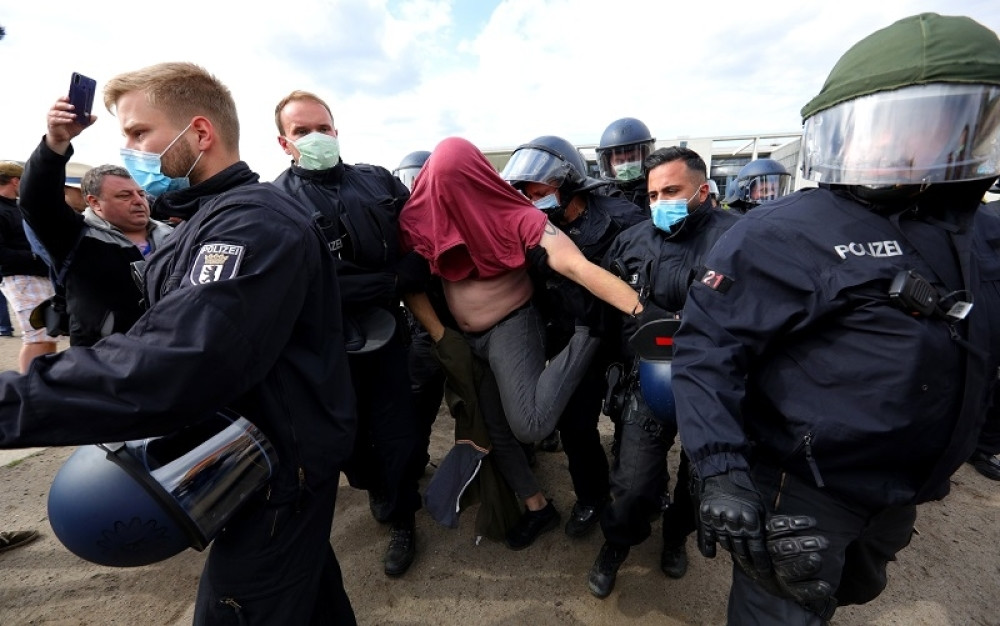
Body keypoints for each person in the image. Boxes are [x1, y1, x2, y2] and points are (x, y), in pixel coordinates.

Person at [0, 62, 358, 625]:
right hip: (238, 458)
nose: (129, 147)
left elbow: (179, 359)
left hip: (277, 469)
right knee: (309, 600)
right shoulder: (198, 221)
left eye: (139, 132)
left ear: (200, 133)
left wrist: (14, 402)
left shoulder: (252, 223)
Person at [671, 13, 1000, 625]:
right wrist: (720, 470)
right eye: (891, 129)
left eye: (944, 125)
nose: (908, 148)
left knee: (855, 586)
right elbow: (707, 350)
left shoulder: (985, 234)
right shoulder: (784, 234)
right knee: (786, 604)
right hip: (803, 487)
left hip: (905, 487)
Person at [400, 137, 646, 550]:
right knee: (495, 430)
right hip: (466, 339)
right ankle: (537, 507)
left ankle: (589, 335)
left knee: (530, 423)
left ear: (478, 180)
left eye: (460, 185)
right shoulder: (422, 218)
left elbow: (575, 265)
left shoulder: (513, 213)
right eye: (441, 188)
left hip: (512, 327)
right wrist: (442, 335)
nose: (451, 198)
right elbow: (409, 282)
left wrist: (646, 313)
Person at [272, 90, 425, 578]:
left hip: (388, 332)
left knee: (398, 430)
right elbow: (307, 282)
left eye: (323, 127)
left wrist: (395, 279)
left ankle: (404, 517)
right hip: (326, 344)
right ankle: (373, 483)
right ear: (284, 142)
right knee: (348, 439)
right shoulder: (276, 202)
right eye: (302, 131)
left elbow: (420, 238)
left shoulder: (377, 180)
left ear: (336, 131)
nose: (316, 137)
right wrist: (387, 279)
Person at [587, 146, 740, 598]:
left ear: (703, 190)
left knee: (697, 482)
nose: (660, 202)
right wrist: (613, 370)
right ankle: (617, 542)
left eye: (671, 190)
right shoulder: (631, 241)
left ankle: (676, 536)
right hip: (646, 377)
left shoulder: (739, 239)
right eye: (653, 194)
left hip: (712, 387)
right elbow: (608, 313)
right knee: (632, 485)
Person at [502, 134, 646, 539]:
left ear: (567, 185)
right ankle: (592, 496)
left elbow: (639, 281)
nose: (530, 199)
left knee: (632, 421)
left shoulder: (622, 219)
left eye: (538, 191)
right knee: (575, 424)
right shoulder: (533, 227)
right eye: (524, 193)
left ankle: (639, 493)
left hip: (620, 334)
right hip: (573, 335)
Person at [19, 98, 173, 347]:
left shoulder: (172, 235)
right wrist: (56, 143)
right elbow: (37, 199)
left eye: (140, 194)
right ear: (95, 203)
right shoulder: (75, 236)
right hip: (103, 363)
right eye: (124, 195)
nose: (138, 201)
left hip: (167, 352)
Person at [0, 161, 58, 372]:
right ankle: (31, 386)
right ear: (16, 181)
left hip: (37, 276)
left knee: (48, 334)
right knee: (37, 336)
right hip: (20, 278)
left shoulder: (17, 207)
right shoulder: (3, 210)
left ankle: (42, 384)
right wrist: (36, 257)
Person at [596, 117, 656, 213]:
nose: (627, 165)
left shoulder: (658, 189)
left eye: (633, 159)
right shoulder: (599, 195)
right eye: (619, 161)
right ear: (608, 164)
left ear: (646, 157)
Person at [724, 157, 793, 214]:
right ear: (745, 192)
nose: (773, 195)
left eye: (777, 191)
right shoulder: (731, 222)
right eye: (765, 190)